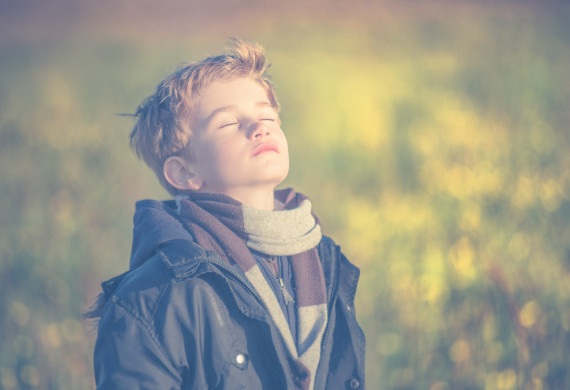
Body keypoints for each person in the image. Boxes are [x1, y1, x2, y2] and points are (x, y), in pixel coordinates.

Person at [88, 39, 365, 390]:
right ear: (185, 173)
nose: (259, 127)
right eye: (229, 123)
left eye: (266, 116)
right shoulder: (153, 299)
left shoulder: (325, 260)